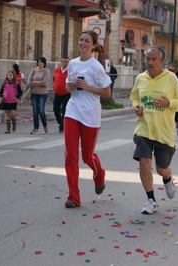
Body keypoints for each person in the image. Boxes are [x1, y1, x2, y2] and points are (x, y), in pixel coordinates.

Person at [130, 46, 178, 215]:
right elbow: (134, 97)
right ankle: (151, 200)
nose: (150, 62)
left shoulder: (171, 78)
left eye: (154, 59)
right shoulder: (140, 78)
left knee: (162, 169)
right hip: (144, 129)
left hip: (163, 133)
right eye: (148, 59)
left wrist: (168, 103)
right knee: (144, 162)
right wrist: (136, 106)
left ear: (162, 61)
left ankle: (168, 179)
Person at [63, 30, 112, 208]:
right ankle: (73, 197)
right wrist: (69, 87)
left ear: (93, 45)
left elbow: (107, 92)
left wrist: (89, 87)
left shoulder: (95, 66)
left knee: (86, 157)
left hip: (90, 115)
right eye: (81, 39)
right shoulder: (73, 64)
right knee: (70, 156)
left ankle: (99, 175)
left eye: (86, 40)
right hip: (72, 111)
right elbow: (70, 87)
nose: (82, 43)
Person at [27, 57, 50, 134]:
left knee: (41, 110)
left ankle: (45, 124)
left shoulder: (46, 71)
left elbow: (45, 83)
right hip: (34, 93)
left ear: (44, 63)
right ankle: (36, 128)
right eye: (39, 61)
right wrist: (39, 83)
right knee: (35, 111)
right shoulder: (33, 71)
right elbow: (29, 82)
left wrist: (35, 82)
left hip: (43, 94)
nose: (40, 63)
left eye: (42, 62)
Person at [53, 57, 71, 133]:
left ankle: (61, 127)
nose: (66, 63)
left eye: (67, 62)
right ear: (61, 62)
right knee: (55, 109)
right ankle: (61, 122)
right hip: (57, 93)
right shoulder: (57, 70)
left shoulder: (69, 71)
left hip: (66, 93)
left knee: (64, 110)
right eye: (65, 61)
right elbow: (54, 79)